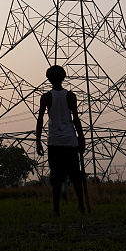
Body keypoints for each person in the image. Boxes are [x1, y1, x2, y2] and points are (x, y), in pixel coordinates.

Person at [34, 65, 88, 216]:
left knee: (56, 177)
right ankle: (81, 206)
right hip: (70, 141)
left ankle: (56, 209)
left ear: (48, 79)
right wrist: (81, 138)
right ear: (63, 78)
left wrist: (38, 141)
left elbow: (40, 120)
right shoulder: (71, 96)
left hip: (54, 142)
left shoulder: (46, 97)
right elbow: (75, 119)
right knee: (75, 175)